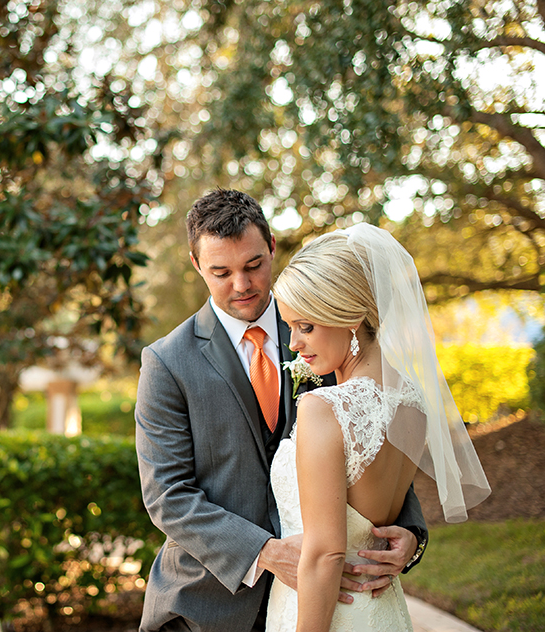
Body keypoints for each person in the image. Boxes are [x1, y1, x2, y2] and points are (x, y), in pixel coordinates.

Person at [134, 188, 429, 632]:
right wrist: (267, 553)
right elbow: (167, 495)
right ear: (196, 265)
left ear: (272, 247)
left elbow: (372, 435)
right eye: (221, 272)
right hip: (209, 604)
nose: (242, 284)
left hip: (331, 598)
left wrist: (410, 533)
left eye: (253, 265)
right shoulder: (167, 363)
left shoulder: (327, 331)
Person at [267, 224, 491, 631]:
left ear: (350, 316)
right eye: (290, 326)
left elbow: (325, 555)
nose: (294, 343)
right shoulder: (414, 402)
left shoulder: (323, 408)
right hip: (383, 609)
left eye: (306, 326)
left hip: (328, 614)